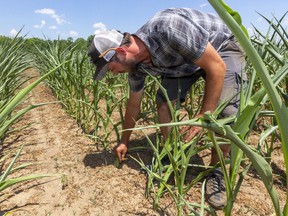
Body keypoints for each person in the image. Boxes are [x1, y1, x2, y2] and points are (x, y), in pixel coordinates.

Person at [88, 8, 247, 210]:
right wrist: (124, 141)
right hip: (185, 60)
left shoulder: (169, 27)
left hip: (221, 47)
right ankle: (173, 154)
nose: (114, 74)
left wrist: (204, 116)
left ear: (120, 52)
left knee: (225, 114)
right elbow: (133, 105)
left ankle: (217, 173)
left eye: (111, 69)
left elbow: (216, 67)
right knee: (164, 101)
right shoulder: (136, 66)